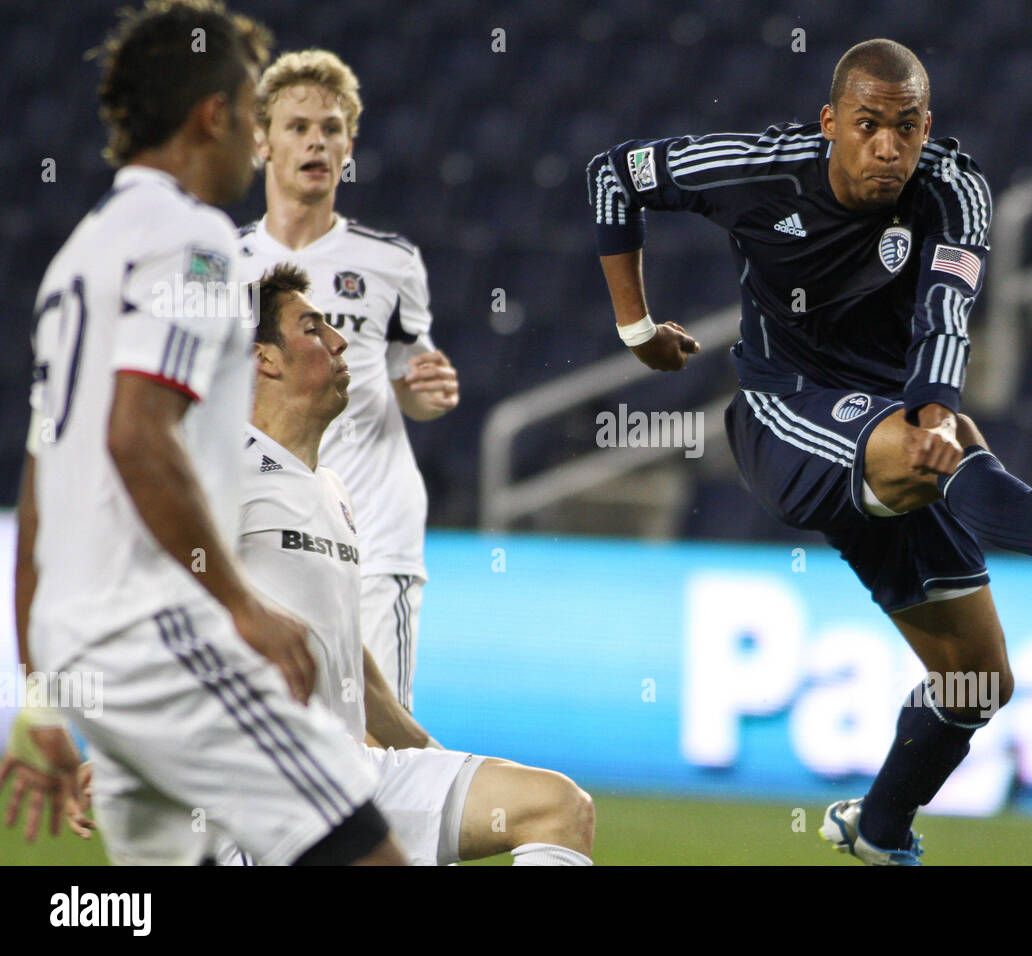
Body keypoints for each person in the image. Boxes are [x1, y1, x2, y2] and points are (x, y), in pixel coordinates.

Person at [586, 38, 1032, 865]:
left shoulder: (955, 191)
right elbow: (613, 174)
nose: (888, 147)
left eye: (907, 128)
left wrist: (933, 422)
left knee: (978, 680)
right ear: (830, 123)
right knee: (932, 453)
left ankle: (880, 833)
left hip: (888, 419)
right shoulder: (757, 170)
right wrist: (635, 328)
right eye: (868, 125)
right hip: (785, 415)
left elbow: (945, 324)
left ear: (928, 127)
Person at [2, 0, 404, 866]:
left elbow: (41, 492)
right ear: (215, 116)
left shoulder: (79, 257)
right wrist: (240, 603)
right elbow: (136, 436)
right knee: (371, 852)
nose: (258, 146)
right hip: (159, 635)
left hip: (84, 647)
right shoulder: (193, 242)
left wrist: (41, 696)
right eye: (251, 114)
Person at [218, 264, 593, 865]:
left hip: (353, 774)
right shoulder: (221, 468)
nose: (340, 342)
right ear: (264, 358)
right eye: (313, 328)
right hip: (257, 792)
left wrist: (432, 759)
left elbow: (352, 670)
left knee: (554, 806)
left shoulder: (330, 488)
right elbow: (143, 598)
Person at [239, 49, 458, 712]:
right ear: (261, 142)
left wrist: (425, 396)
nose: (316, 139)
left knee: (372, 740)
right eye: (298, 125)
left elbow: (408, 380)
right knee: (268, 734)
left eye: (331, 128)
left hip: (374, 532)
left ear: (349, 146)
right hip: (260, 527)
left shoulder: (390, 263)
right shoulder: (217, 263)